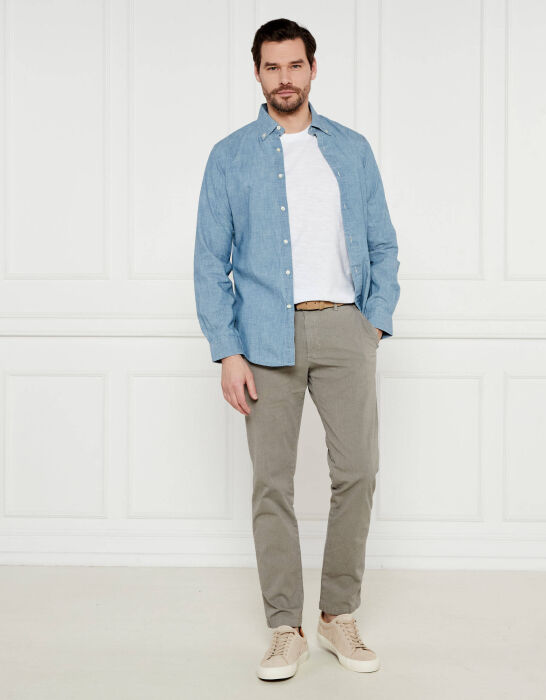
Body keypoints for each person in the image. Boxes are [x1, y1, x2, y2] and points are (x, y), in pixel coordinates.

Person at [194, 17, 400, 681]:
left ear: (313, 68)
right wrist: (227, 350)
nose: (284, 78)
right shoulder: (230, 156)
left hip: (344, 327)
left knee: (358, 471)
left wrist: (373, 323)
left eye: (295, 65)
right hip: (262, 337)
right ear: (257, 73)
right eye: (272, 66)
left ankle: (337, 615)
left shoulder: (352, 150)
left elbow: (383, 244)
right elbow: (210, 261)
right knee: (272, 484)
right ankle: (286, 627)